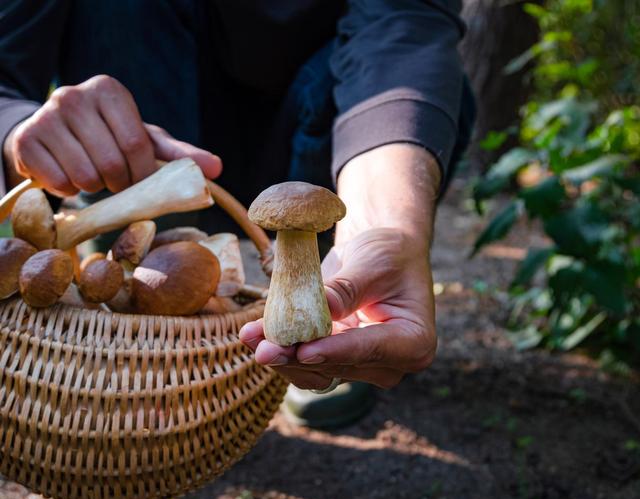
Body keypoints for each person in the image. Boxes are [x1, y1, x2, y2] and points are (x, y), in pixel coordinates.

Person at [0, 1, 473, 404]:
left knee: (445, 90)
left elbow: (403, 29)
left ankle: (339, 316)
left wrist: (385, 226)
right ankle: (137, 330)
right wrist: (19, 129)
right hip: (143, 147)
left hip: (313, 131)